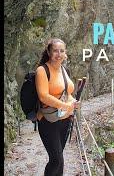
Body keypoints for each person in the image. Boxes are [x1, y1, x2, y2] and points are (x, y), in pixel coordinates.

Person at [35, 38, 79, 176]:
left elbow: (67, 92)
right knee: (56, 160)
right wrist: (65, 106)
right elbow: (43, 96)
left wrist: (73, 102)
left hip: (64, 120)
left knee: (59, 158)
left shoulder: (63, 69)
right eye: (55, 51)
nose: (58, 54)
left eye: (62, 51)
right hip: (48, 121)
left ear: (65, 53)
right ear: (49, 52)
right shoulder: (42, 70)